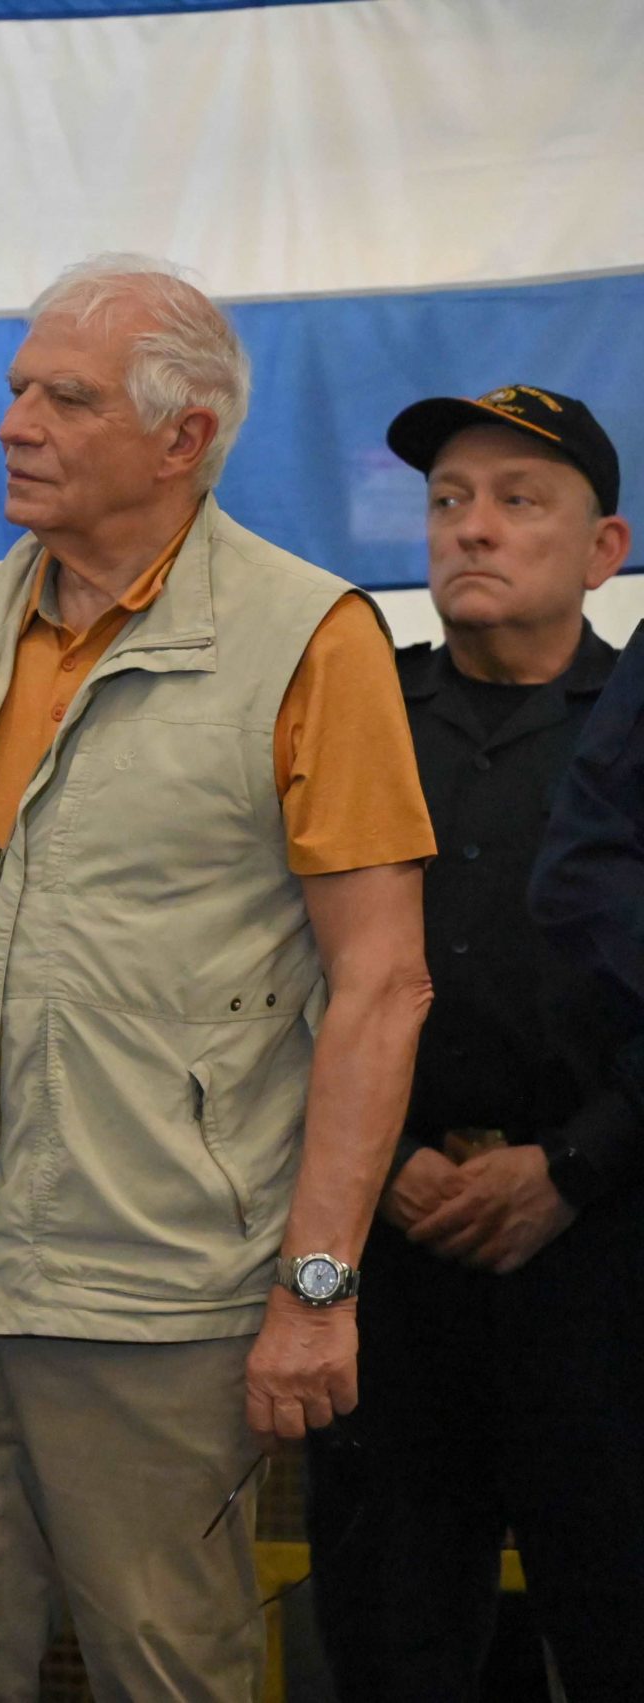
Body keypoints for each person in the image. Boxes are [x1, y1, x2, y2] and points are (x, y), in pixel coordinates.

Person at [0, 255, 438, 1700]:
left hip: (152, 1293)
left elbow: (382, 985)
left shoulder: (310, 638)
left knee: (172, 1668)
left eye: (65, 398)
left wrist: (319, 1284)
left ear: (182, 436)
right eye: (19, 388)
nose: (16, 421)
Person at [316, 386, 644, 1698]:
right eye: (449, 500)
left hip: (607, 1258)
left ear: (605, 547)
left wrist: (576, 1163)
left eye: (519, 500)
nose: (473, 529)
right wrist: (373, 1153)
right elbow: (275, 969)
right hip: (388, 1266)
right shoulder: (359, 719)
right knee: (392, 1636)